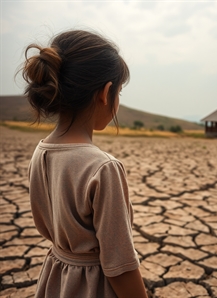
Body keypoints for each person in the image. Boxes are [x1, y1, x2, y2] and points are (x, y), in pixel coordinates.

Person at [21, 29, 148, 298]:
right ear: (106, 93)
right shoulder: (102, 167)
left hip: (56, 279)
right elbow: (120, 265)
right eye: (119, 92)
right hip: (93, 287)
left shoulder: (40, 152)